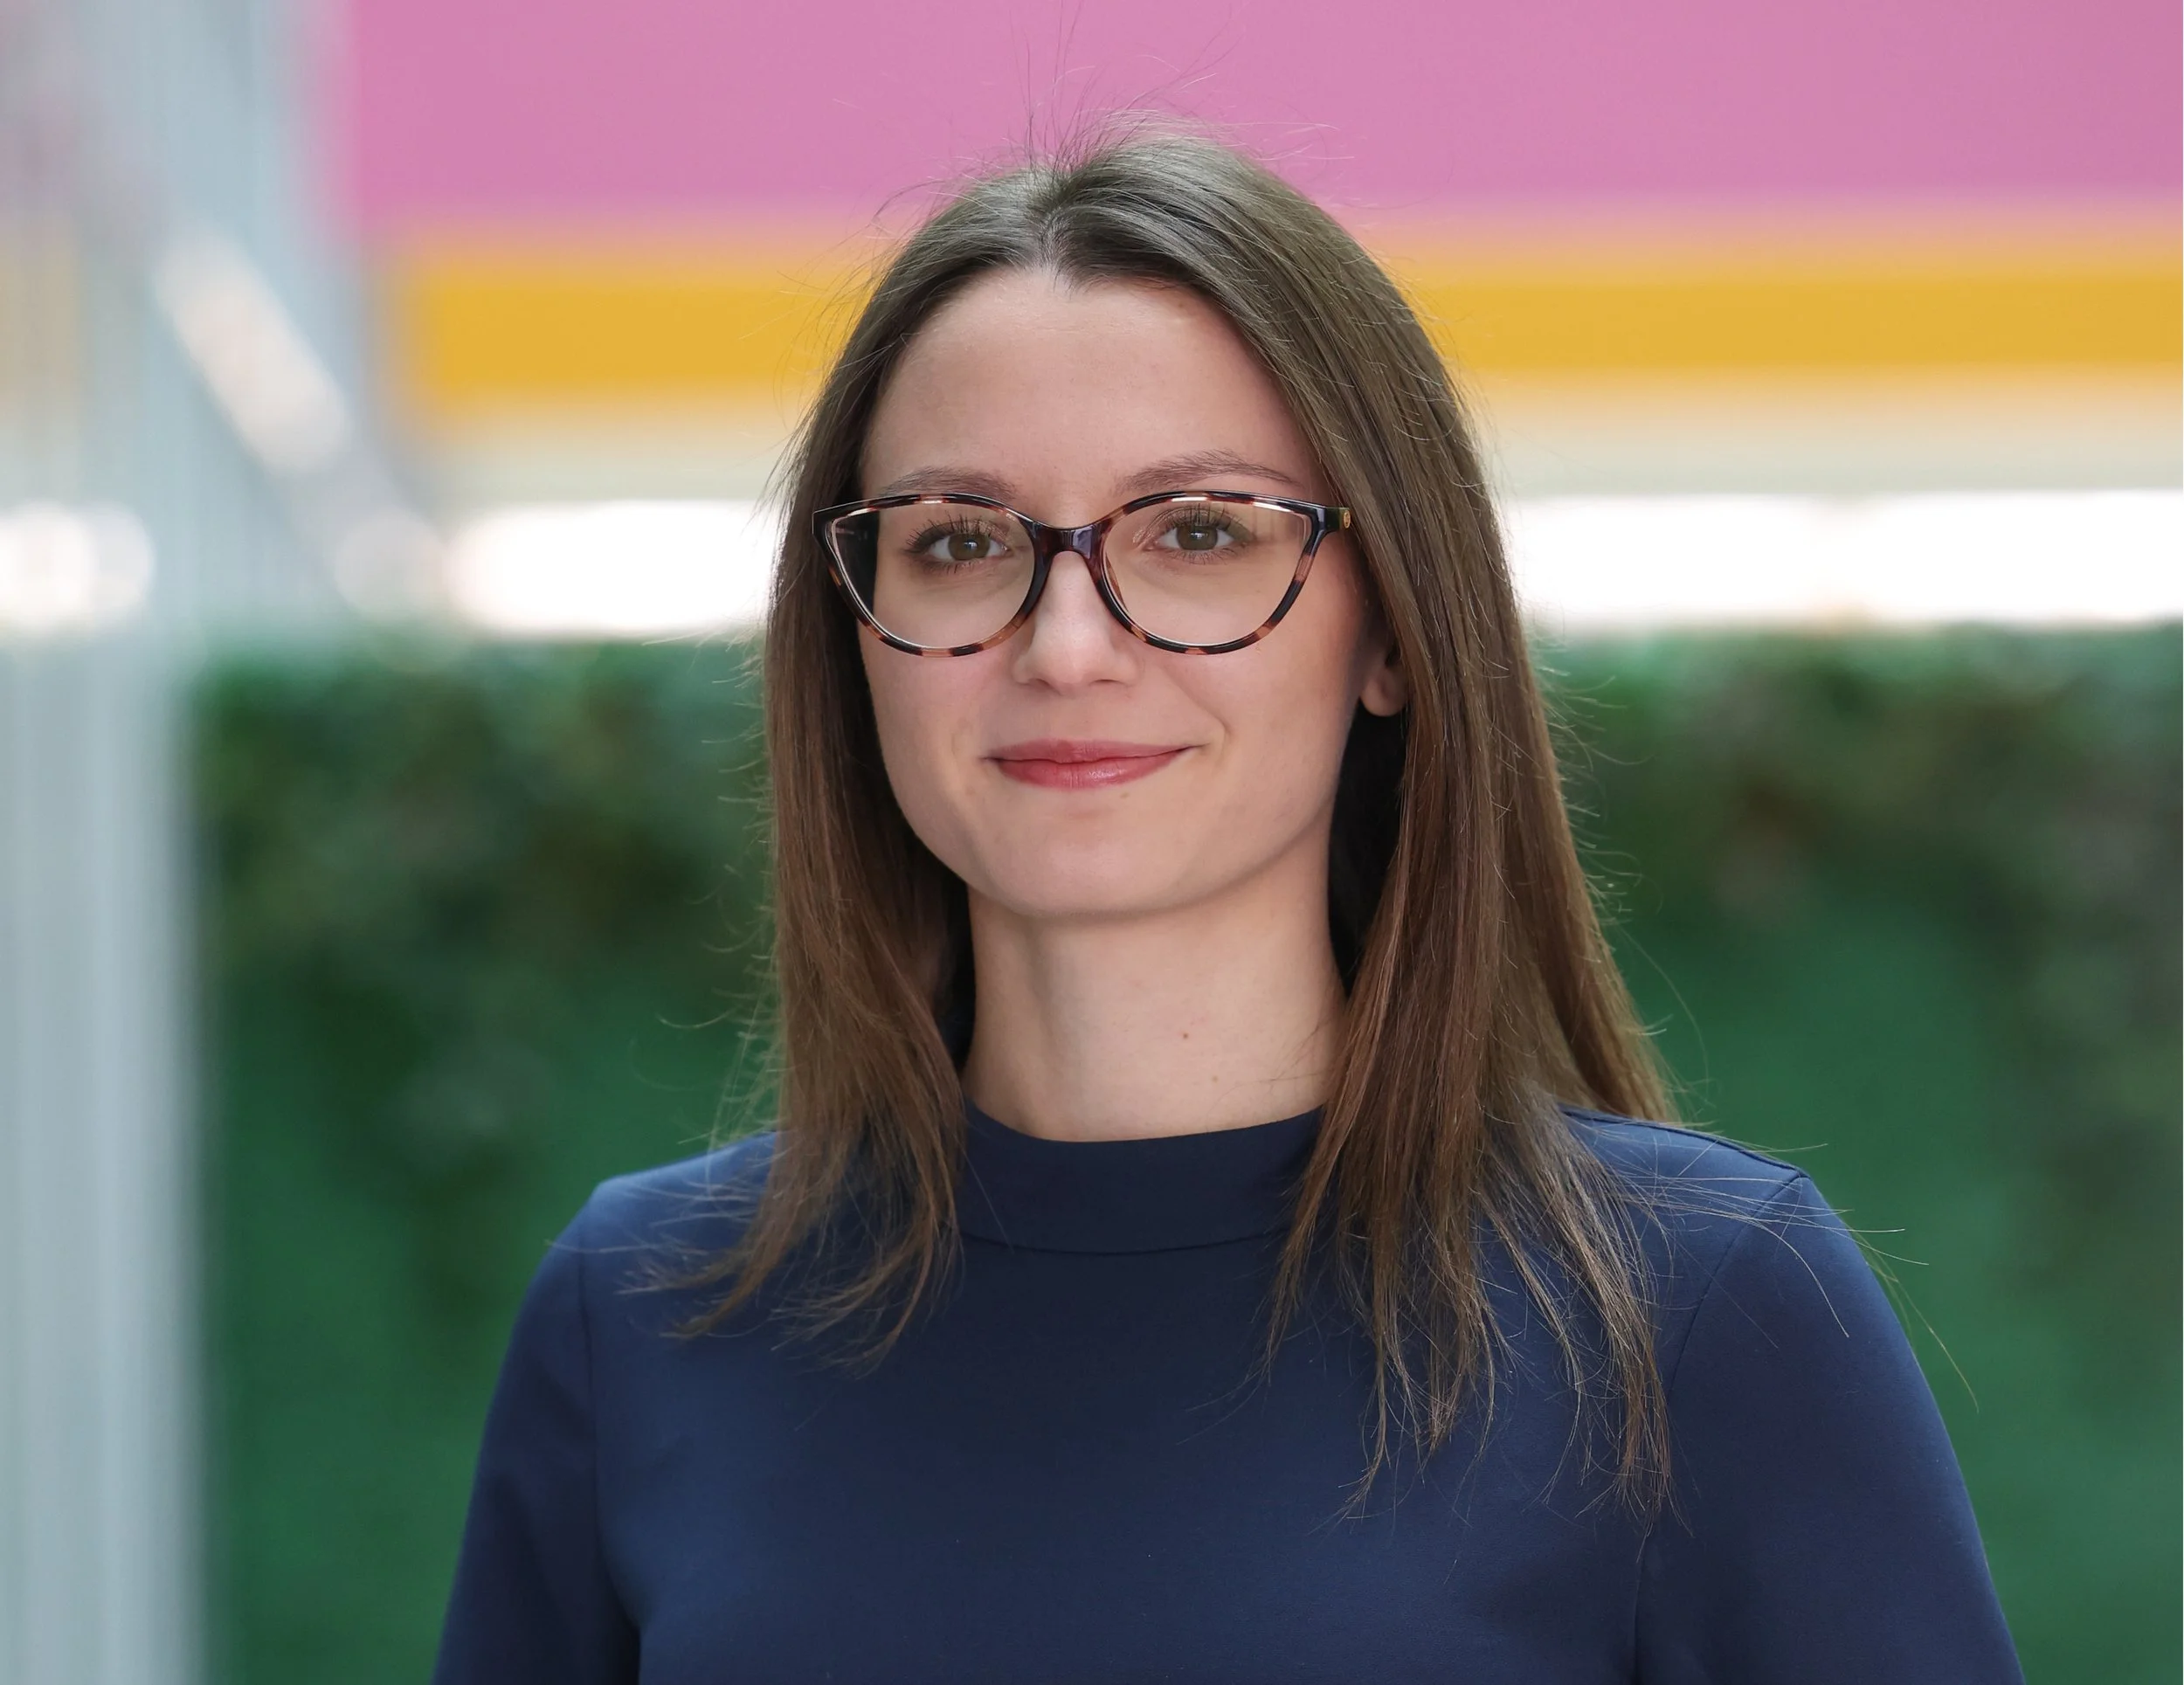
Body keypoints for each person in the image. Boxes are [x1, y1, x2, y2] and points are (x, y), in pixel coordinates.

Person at [432, 132, 2022, 1683]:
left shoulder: (1696, 1314)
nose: (1063, 644)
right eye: (958, 542)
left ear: (1393, 632)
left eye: (1196, 533)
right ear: (852, 640)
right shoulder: (638, 1317)